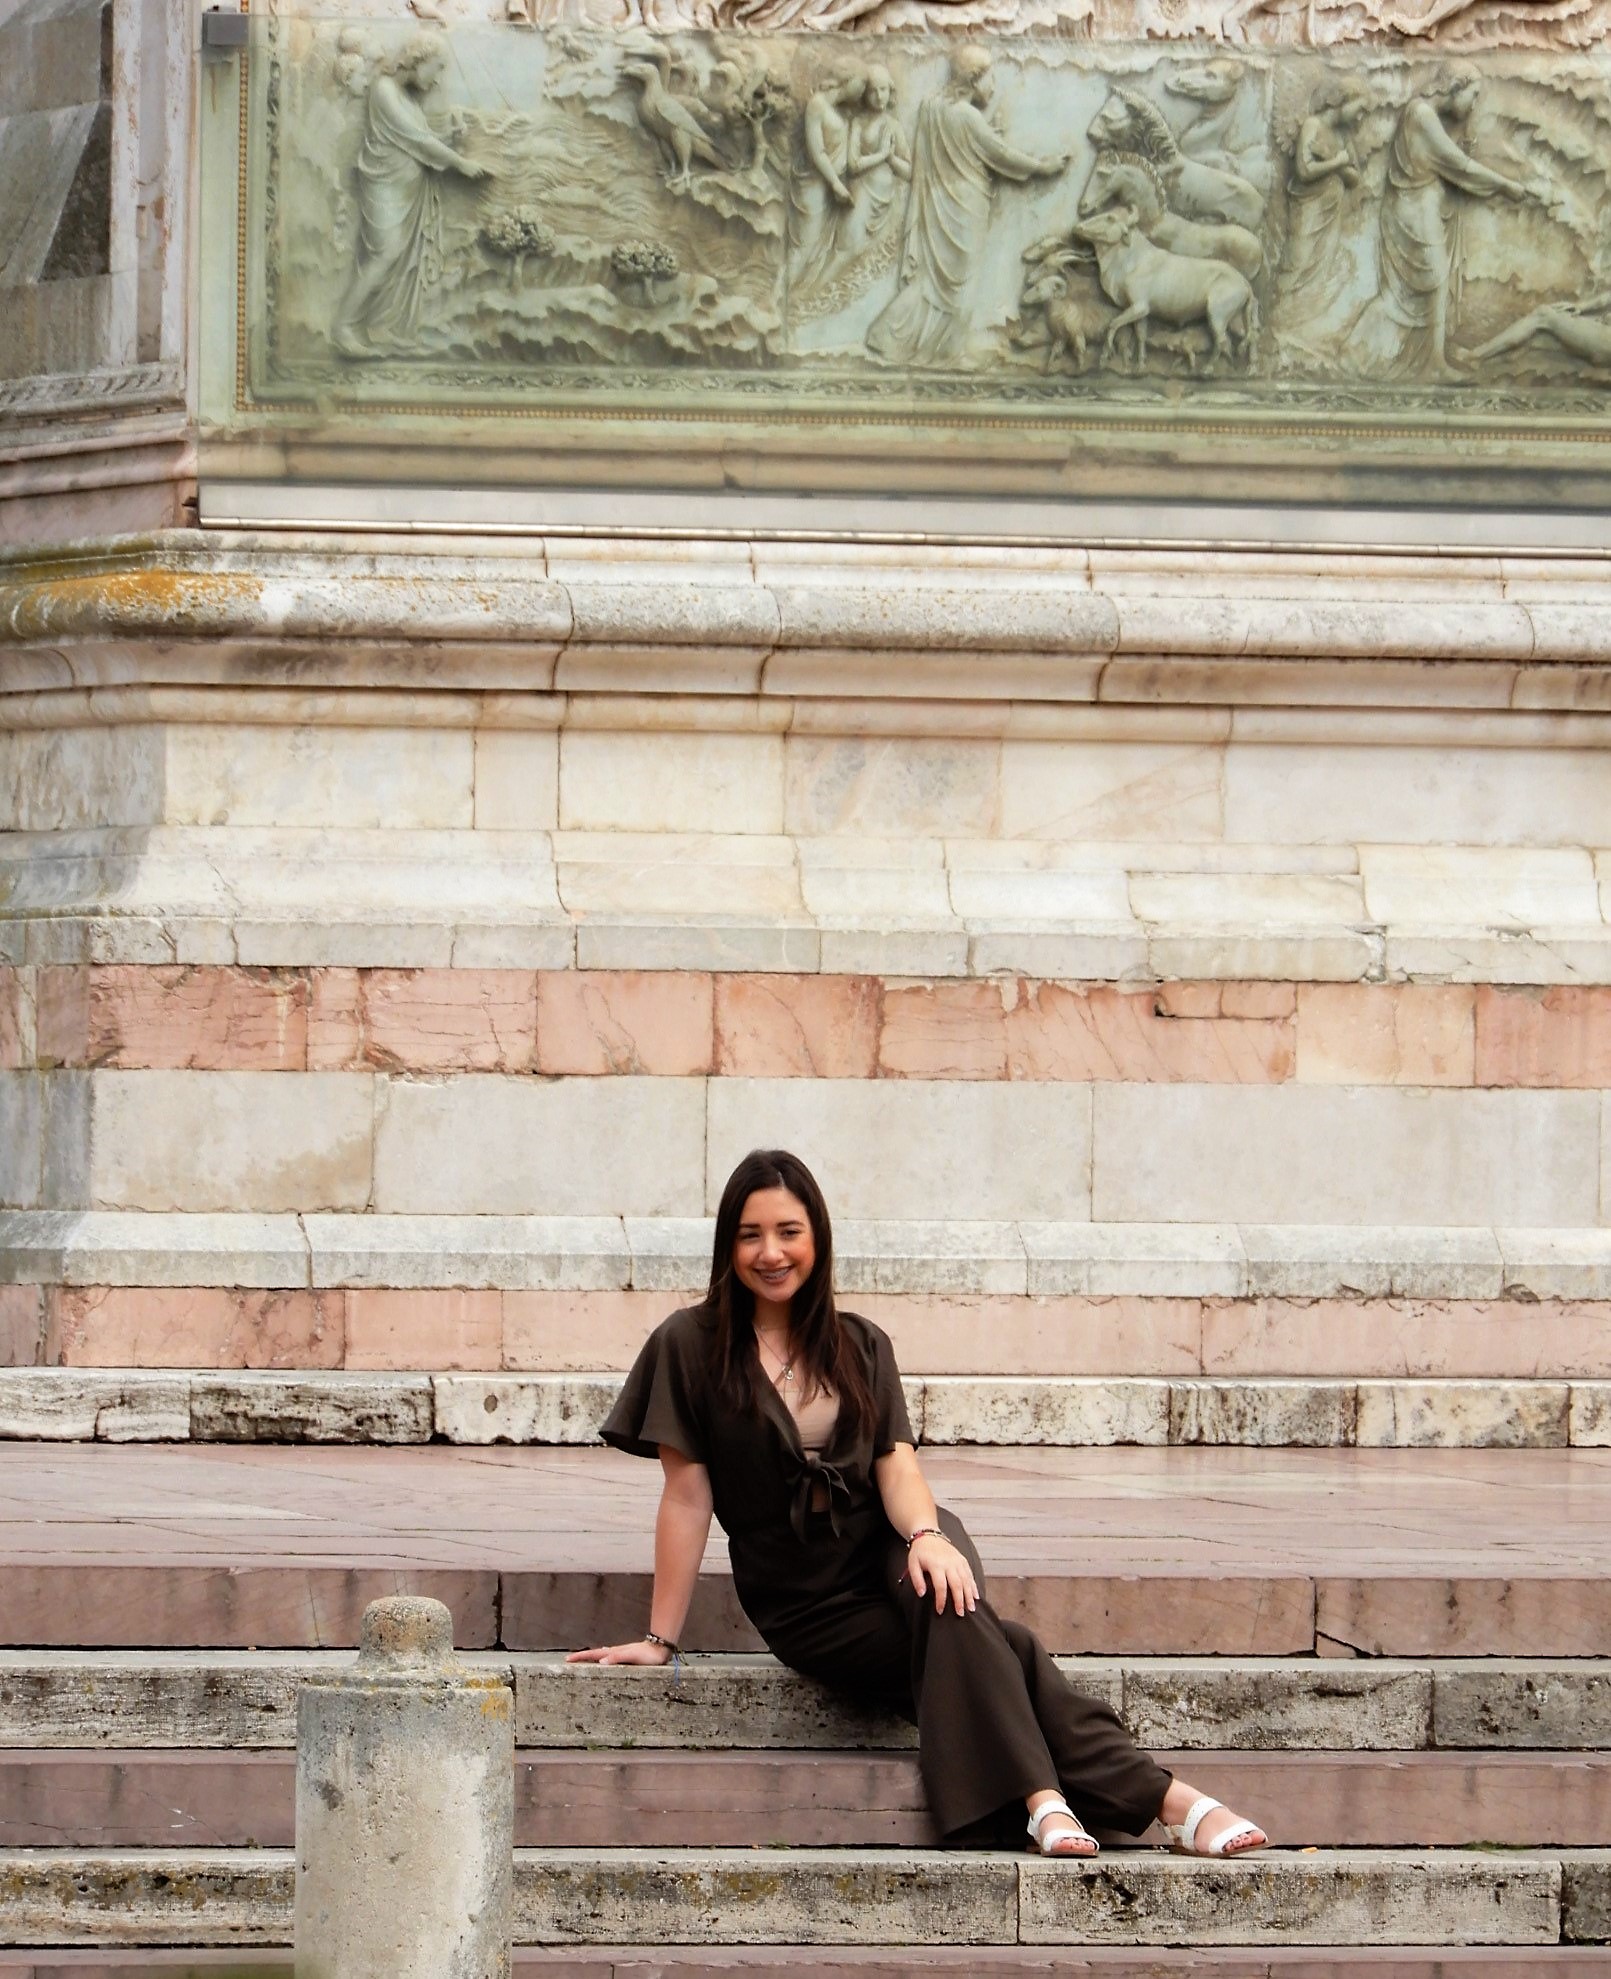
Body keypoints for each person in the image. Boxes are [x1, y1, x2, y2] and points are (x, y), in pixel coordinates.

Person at [569, 1148, 1268, 1861]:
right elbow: (687, 1499)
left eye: (788, 1231)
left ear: (818, 1238)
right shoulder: (688, 1345)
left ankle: (1045, 1804)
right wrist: (659, 1639)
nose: (770, 1252)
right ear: (728, 1244)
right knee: (1003, 1645)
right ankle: (1166, 1801)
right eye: (751, 1234)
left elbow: (894, 1462)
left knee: (944, 1593)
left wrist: (927, 1536)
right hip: (802, 1599)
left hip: (894, 1542)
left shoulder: (860, 1343)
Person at [865, 47, 1069, 367]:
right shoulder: (967, 116)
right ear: (973, 79)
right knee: (961, 287)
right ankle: (950, 352)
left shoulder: (931, 107)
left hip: (937, 205)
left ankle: (887, 336)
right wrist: (1043, 167)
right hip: (965, 209)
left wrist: (983, 137)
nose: (993, 86)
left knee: (932, 283)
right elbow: (1000, 154)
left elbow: (958, 146)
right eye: (990, 78)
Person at [1349, 66, 1539, 380]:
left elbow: (1442, 161)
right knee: (1424, 285)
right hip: (1412, 212)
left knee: (1422, 289)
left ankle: (1410, 357)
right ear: (1455, 86)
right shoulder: (1421, 114)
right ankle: (1426, 363)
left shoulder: (1425, 114)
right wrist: (1505, 185)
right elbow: (1458, 165)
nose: (1474, 105)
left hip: (1421, 208)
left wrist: (1459, 158)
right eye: (1473, 95)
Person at [332, 34, 493, 358]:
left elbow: (413, 140)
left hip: (407, 188)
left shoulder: (406, 98)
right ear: (418, 61)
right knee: (386, 253)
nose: (437, 79)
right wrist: (460, 163)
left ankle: (383, 326)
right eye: (436, 68)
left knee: (401, 262)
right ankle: (343, 327)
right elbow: (417, 139)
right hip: (385, 185)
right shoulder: (384, 89)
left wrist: (450, 137)